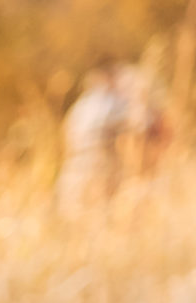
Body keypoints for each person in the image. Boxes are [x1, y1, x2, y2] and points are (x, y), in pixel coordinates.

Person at [58, 62, 164, 208]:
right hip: (100, 173)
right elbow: (144, 125)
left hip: (72, 174)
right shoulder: (113, 104)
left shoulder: (79, 107)